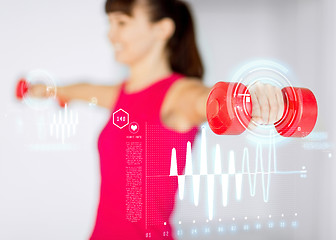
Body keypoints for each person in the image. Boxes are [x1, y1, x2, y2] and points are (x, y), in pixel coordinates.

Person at [26, 0, 284, 239]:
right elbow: (85, 89)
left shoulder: (179, 93)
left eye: (122, 23)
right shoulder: (121, 94)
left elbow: (209, 100)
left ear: (162, 29)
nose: (110, 34)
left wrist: (251, 98)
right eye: (110, 23)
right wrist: (49, 90)